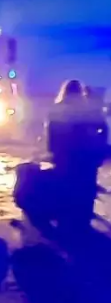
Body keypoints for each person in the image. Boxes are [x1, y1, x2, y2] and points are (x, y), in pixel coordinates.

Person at [47, 79, 107, 229]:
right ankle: (83, 219)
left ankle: (65, 219)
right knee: (86, 187)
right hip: (86, 156)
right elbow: (103, 128)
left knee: (65, 186)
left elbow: (51, 134)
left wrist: (53, 152)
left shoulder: (57, 109)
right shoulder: (87, 109)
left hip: (64, 156)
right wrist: (99, 146)